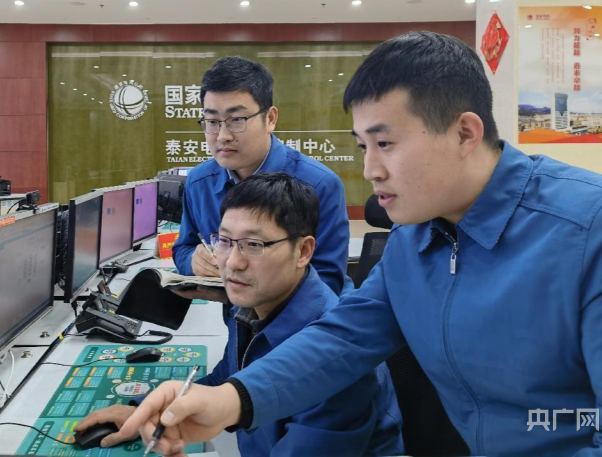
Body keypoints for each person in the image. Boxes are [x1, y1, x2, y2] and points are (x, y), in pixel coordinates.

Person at [122, 32, 602, 457]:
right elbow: (345, 337)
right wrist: (232, 400)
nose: (370, 170)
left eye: (385, 144)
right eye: (363, 146)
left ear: (464, 133)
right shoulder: (416, 237)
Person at [75, 173, 403, 456]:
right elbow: (225, 381)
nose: (232, 262)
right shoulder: (250, 306)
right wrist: (147, 411)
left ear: (303, 251)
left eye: (253, 245)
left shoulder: (336, 362)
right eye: (224, 241)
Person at [173, 56, 352, 297]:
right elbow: (183, 248)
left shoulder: (319, 184)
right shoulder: (199, 182)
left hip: (299, 318)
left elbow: (328, 279)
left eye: (237, 120)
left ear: (270, 119)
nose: (223, 135)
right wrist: (193, 261)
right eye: (212, 121)